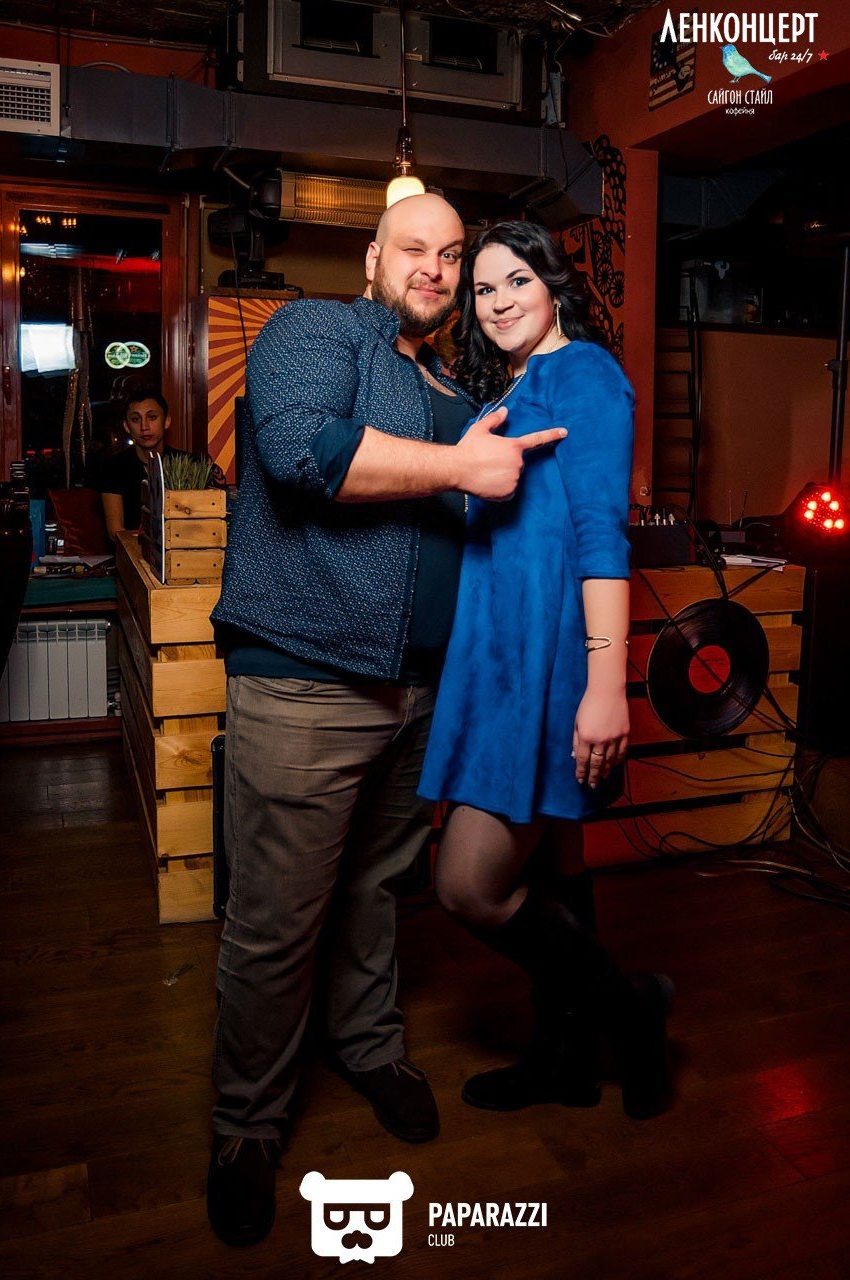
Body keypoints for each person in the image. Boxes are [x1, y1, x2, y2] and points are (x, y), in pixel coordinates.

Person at [206, 193, 566, 1248]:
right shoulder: (316, 331)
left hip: (421, 689)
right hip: (309, 681)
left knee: (375, 891)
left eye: (452, 255)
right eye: (416, 248)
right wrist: (459, 466)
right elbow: (300, 452)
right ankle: (245, 1125)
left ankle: (366, 1045)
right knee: (277, 920)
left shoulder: (452, 384)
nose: (436, 269)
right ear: (372, 257)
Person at [419, 220, 674, 1123]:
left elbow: (602, 536)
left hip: (549, 657)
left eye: (517, 281)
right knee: (559, 861)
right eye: (484, 289)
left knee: (468, 884)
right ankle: (562, 1055)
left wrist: (605, 687)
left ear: (555, 285)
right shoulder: (516, 385)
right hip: (496, 653)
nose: (498, 303)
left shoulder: (585, 375)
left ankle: (632, 1009)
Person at [98, 386, 187, 539]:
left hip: (182, 547)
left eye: (152, 417)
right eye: (135, 419)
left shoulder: (188, 463)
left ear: (166, 421)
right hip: (131, 549)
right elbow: (115, 531)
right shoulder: (113, 468)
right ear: (127, 426)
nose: (144, 427)